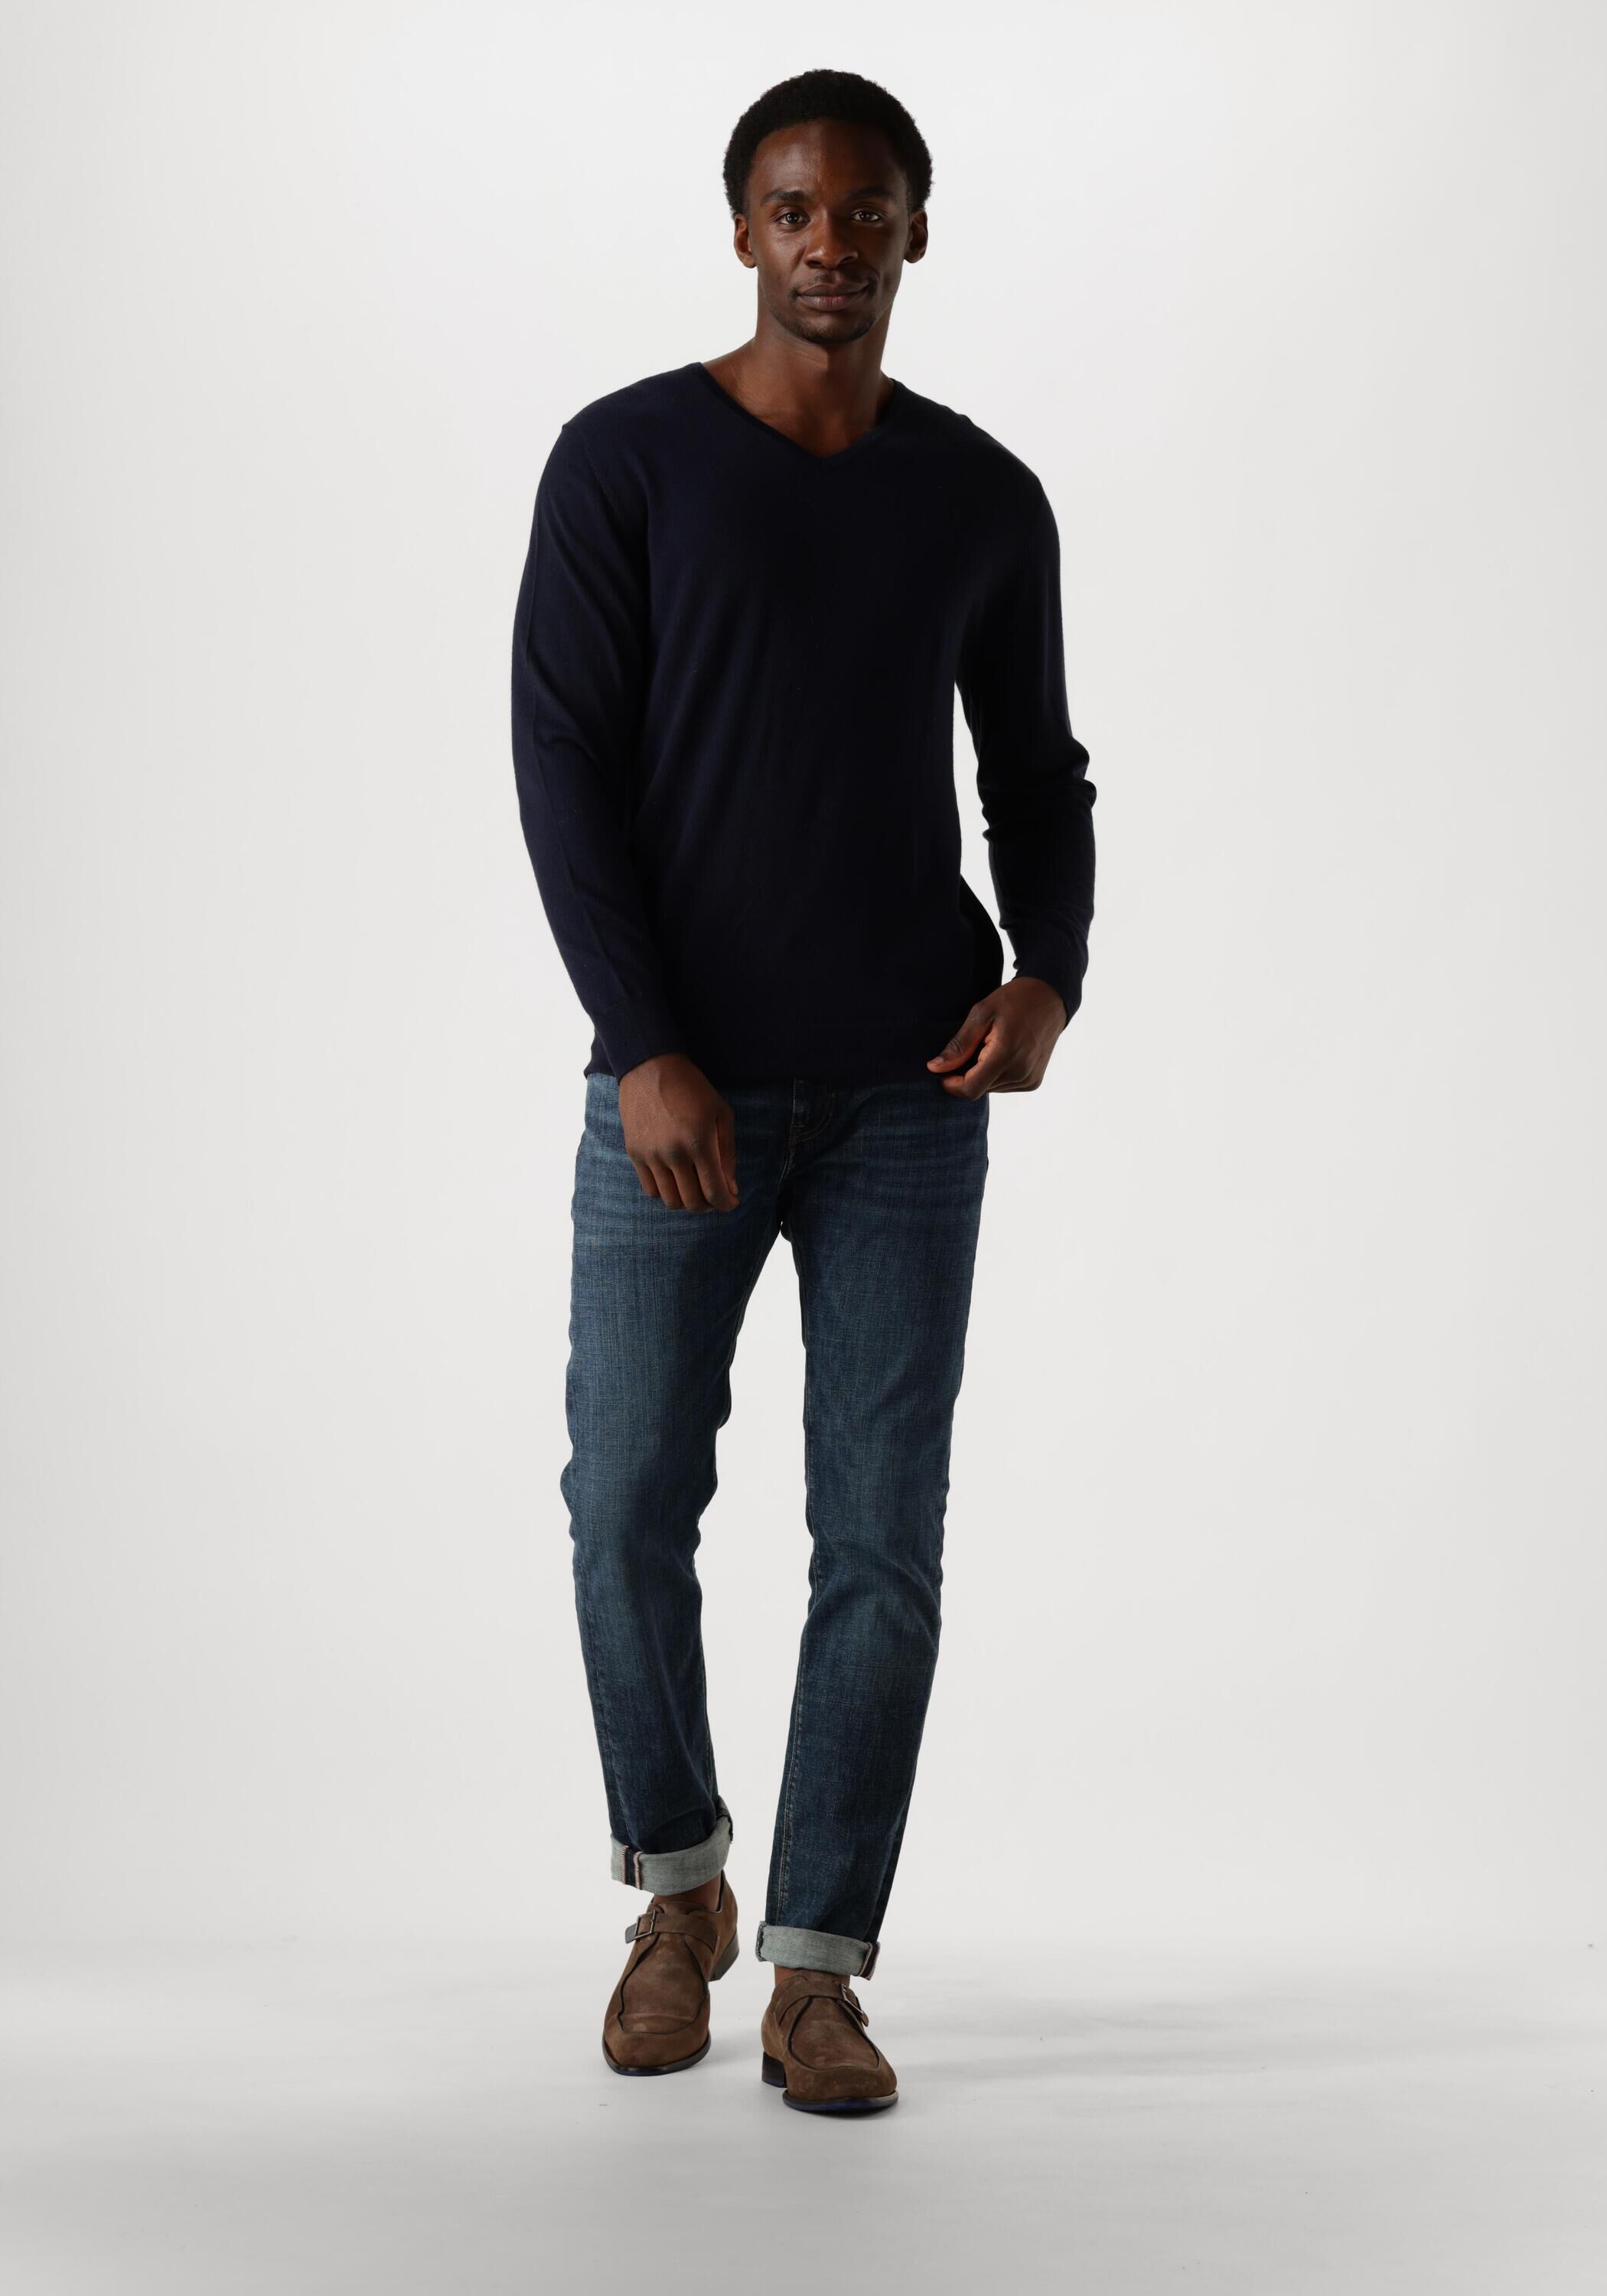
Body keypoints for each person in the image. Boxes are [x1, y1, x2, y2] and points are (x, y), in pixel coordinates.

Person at [509, 67, 1095, 2117]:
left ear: (915, 230)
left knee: (881, 1543)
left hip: (907, 1101)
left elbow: (1037, 771)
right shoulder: (626, 462)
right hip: (675, 1092)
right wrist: (641, 1041)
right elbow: (563, 763)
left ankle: (819, 1972)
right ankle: (677, 1892)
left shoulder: (980, 497)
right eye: (791, 208)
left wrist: (1049, 975)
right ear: (740, 230)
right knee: (622, 1504)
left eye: (863, 211)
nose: (827, 244)